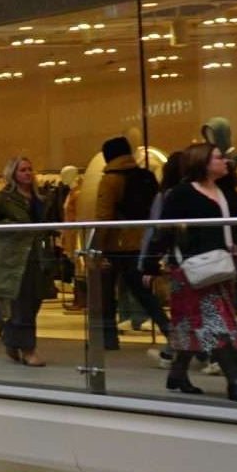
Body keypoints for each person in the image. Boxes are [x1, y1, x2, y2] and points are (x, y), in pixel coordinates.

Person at [148, 142, 237, 402]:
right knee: (216, 322)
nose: (226, 162)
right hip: (191, 271)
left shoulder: (230, 194)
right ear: (203, 162)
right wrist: (150, 264)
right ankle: (235, 382)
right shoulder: (181, 194)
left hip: (220, 269)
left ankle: (178, 373)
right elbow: (164, 230)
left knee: (190, 325)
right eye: (219, 157)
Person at [92, 136, 169, 347]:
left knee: (107, 293)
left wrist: (97, 246)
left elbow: (104, 216)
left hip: (117, 243)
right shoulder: (144, 176)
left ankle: (107, 338)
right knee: (144, 294)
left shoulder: (110, 180)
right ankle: (169, 330)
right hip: (142, 242)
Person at [0, 157, 58, 366]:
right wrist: (13, 227)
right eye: (23, 170)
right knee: (22, 304)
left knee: (35, 301)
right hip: (15, 257)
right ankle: (28, 349)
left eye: (30, 169)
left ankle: (11, 338)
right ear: (13, 174)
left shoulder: (40, 199)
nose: (28, 173)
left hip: (38, 255)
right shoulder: (2, 198)